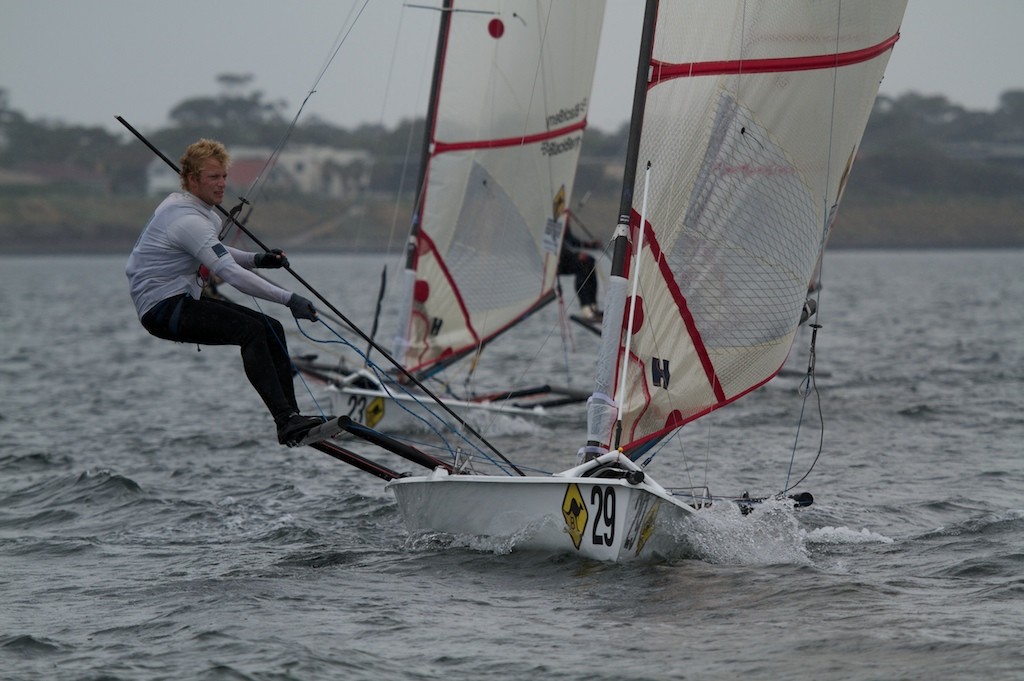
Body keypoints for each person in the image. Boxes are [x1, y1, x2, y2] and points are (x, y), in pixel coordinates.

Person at [125, 138, 326, 446]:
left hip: (180, 300)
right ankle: (285, 421)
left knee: (270, 329)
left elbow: (213, 249)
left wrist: (257, 259)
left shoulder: (195, 210)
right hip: (162, 310)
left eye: (224, 176)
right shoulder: (186, 219)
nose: (222, 185)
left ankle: (292, 417)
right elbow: (229, 273)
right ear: (192, 180)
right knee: (250, 331)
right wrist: (289, 299)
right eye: (213, 178)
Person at [558, 219, 602, 321]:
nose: (568, 217)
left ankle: (593, 307)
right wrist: (576, 256)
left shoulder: (565, 224)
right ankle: (586, 309)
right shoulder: (555, 220)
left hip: (566, 258)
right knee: (581, 267)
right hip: (555, 263)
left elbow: (572, 241)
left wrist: (590, 245)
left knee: (590, 261)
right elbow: (556, 246)